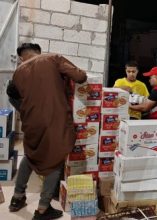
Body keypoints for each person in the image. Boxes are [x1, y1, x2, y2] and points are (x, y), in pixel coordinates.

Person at [7, 43, 87, 220]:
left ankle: (17, 198)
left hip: (30, 121)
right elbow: (81, 77)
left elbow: (13, 95)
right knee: (55, 158)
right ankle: (43, 209)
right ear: (38, 52)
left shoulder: (18, 72)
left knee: (30, 154)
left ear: (22, 57)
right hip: (53, 119)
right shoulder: (52, 58)